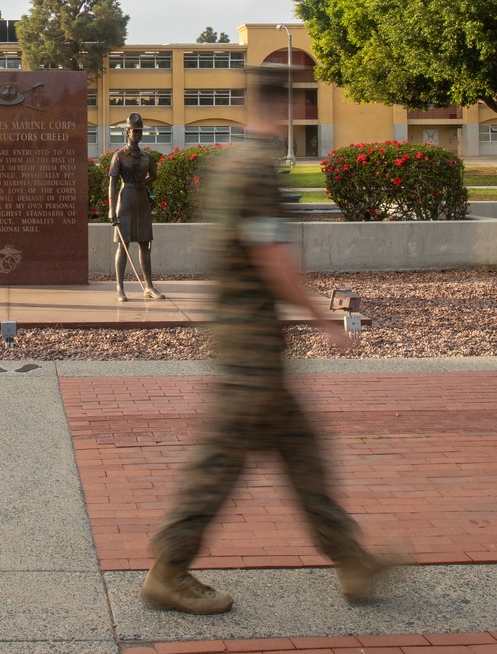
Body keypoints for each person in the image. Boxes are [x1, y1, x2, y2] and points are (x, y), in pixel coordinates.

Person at [141, 65, 399, 615]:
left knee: (304, 455)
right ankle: (168, 568)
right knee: (219, 461)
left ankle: (352, 560)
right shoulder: (257, 170)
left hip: (249, 343)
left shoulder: (230, 164)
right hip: (250, 349)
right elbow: (269, 255)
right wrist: (323, 318)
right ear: (290, 108)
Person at [109, 112, 165, 302]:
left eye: (140, 131)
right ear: (127, 131)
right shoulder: (119, 156)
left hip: (141, 200)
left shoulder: (147, 156)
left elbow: (154, 176)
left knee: (145, 244)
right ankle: (119, 288)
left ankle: (148, 286)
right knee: (123, 246)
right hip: (124, 202)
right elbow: (113, 183)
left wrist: (143, 184)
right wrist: (111, 209)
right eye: (135, 131)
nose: (138, 134)